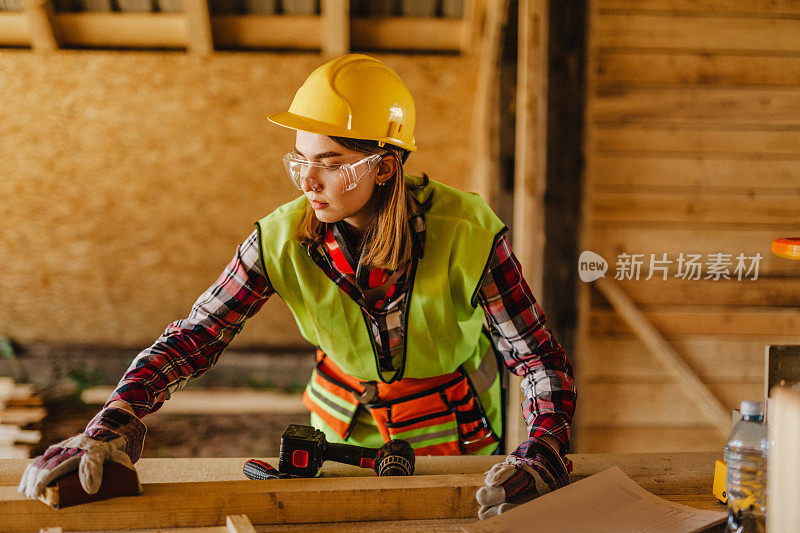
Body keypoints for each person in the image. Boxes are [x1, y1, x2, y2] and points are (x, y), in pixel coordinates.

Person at [19, 54, 575, 519]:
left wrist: (544, 448)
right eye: (300, 160)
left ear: (385, 166)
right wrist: (112, 421)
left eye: (330, 163)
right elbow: (196, 336)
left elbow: (536, 357)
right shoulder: (279, 237)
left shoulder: (469, 231)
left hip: (450, 435)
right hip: (334, 427)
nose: (308, 181)